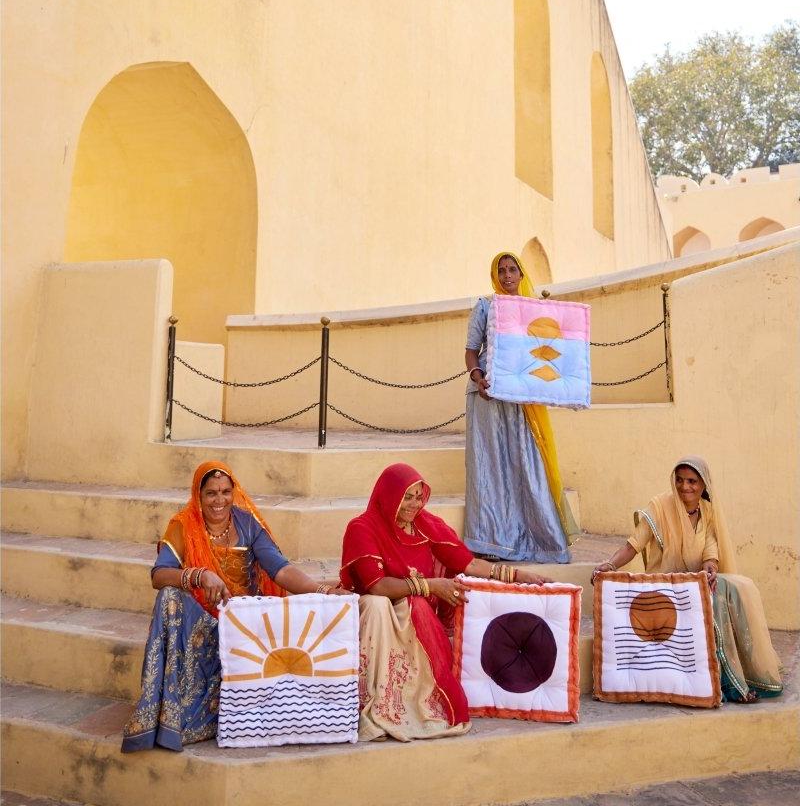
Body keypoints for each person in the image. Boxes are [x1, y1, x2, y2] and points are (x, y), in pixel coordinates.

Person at [122, 460, 344, 752]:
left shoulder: (246, 522)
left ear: (233, 492)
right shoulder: (183, 525)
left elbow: (280, 570)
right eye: (211, 493)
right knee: (169, 598)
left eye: (226, 492)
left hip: (241, 626)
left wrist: (323, 590)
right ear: (198, 496)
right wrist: (200, 575)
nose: (219, 500)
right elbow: (159, 575)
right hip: (200, 622)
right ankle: (165, 714)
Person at [340, 462, 547, 741]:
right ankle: (376, 705)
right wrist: (430, 586)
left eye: (418, 496)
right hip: (375, 612)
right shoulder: (363, 528)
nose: (414, 505)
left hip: (414, 613)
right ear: (388, 496)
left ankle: (410, 706)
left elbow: (469, 564)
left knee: (417, 606)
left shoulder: (426, 526)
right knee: (379, 606)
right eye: (406, 498)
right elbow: (377, 586)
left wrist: (517, 575)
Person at [591, 456, 783, 703]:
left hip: (694, 584)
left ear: (703, 485)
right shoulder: (660, 505)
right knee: (716, 597)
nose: (685, 487)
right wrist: (609, 565)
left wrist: (709, 569)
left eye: (692, 481)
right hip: (664, 587)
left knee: (733, 589)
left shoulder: (708, 511)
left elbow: (711, 551)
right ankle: (730, 687)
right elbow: (634, 545)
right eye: (680, 480)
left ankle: (737, 677)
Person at [463, 250, 577, 563]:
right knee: (491, 464)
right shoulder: (485, 306)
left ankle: (541, 539)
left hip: (523, 397)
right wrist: (477, 376)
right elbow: (472, 350)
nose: (507, 276)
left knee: (528, 462)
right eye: (501, 271)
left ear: (522, 274)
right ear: (494, 276)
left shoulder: (534, 311)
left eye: (513, 270)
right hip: (488, 393)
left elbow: (546, 351)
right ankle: (492, 540)